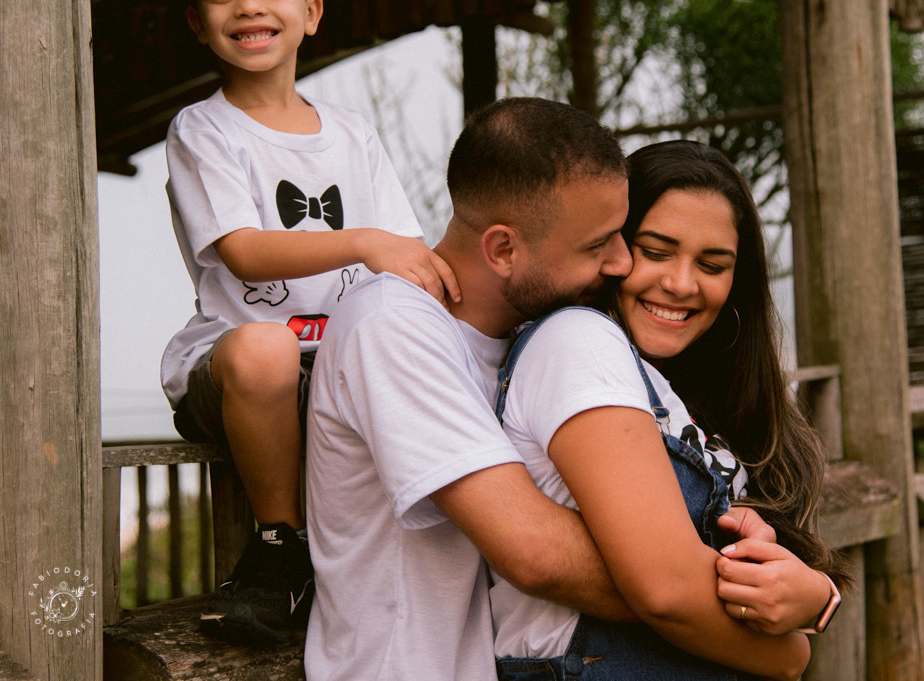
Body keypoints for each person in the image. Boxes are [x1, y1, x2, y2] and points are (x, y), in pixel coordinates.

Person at [303, 99, 772, 680]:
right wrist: (751, 620)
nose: (621, 262)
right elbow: (534, 551)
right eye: (599, 244)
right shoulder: (392, 327)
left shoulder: (514, 336)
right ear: (503, 250)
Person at [159, 0, 457, 645]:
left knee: (417, 350)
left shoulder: (354, 135)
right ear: (197, 20)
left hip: (334, 370)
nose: (249, 5)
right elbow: (246, 251)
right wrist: (362, 242)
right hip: (240, 367)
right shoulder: (204, 129)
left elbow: (407, 255)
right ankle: (277, 550)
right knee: (264, 346)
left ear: (311, 10)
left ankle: (422, 571)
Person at [490, 140, 850, 679]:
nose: (681, 284)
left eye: (712, 264)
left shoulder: (680, 392)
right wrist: (794, 648)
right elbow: (665, 591)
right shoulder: (579, 342)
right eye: (655, 251)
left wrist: (803, 592)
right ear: (609, 247)